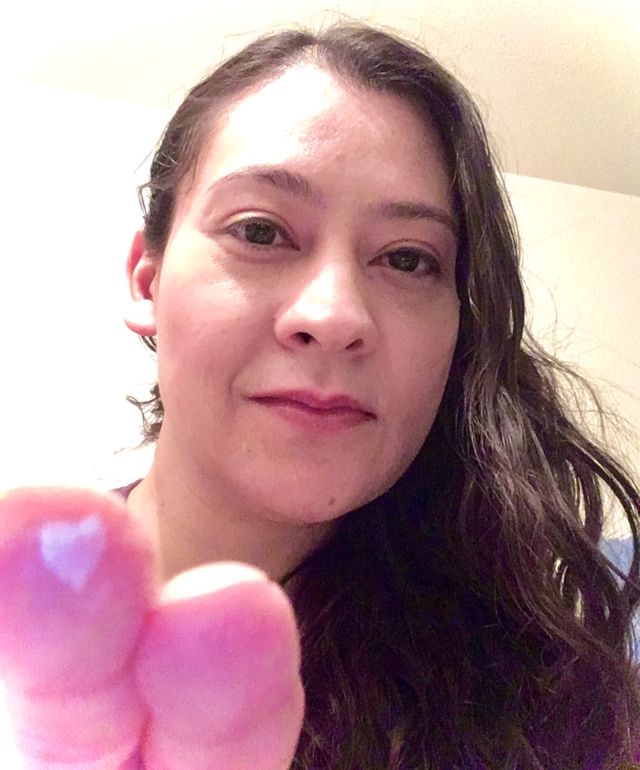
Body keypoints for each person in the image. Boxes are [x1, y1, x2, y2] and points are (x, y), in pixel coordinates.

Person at [0, 20, 638, 770]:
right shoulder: (21, 609)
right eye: (261, 232)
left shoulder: (560, 707)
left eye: (408, 259)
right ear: (147, 280)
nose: (334, 316)